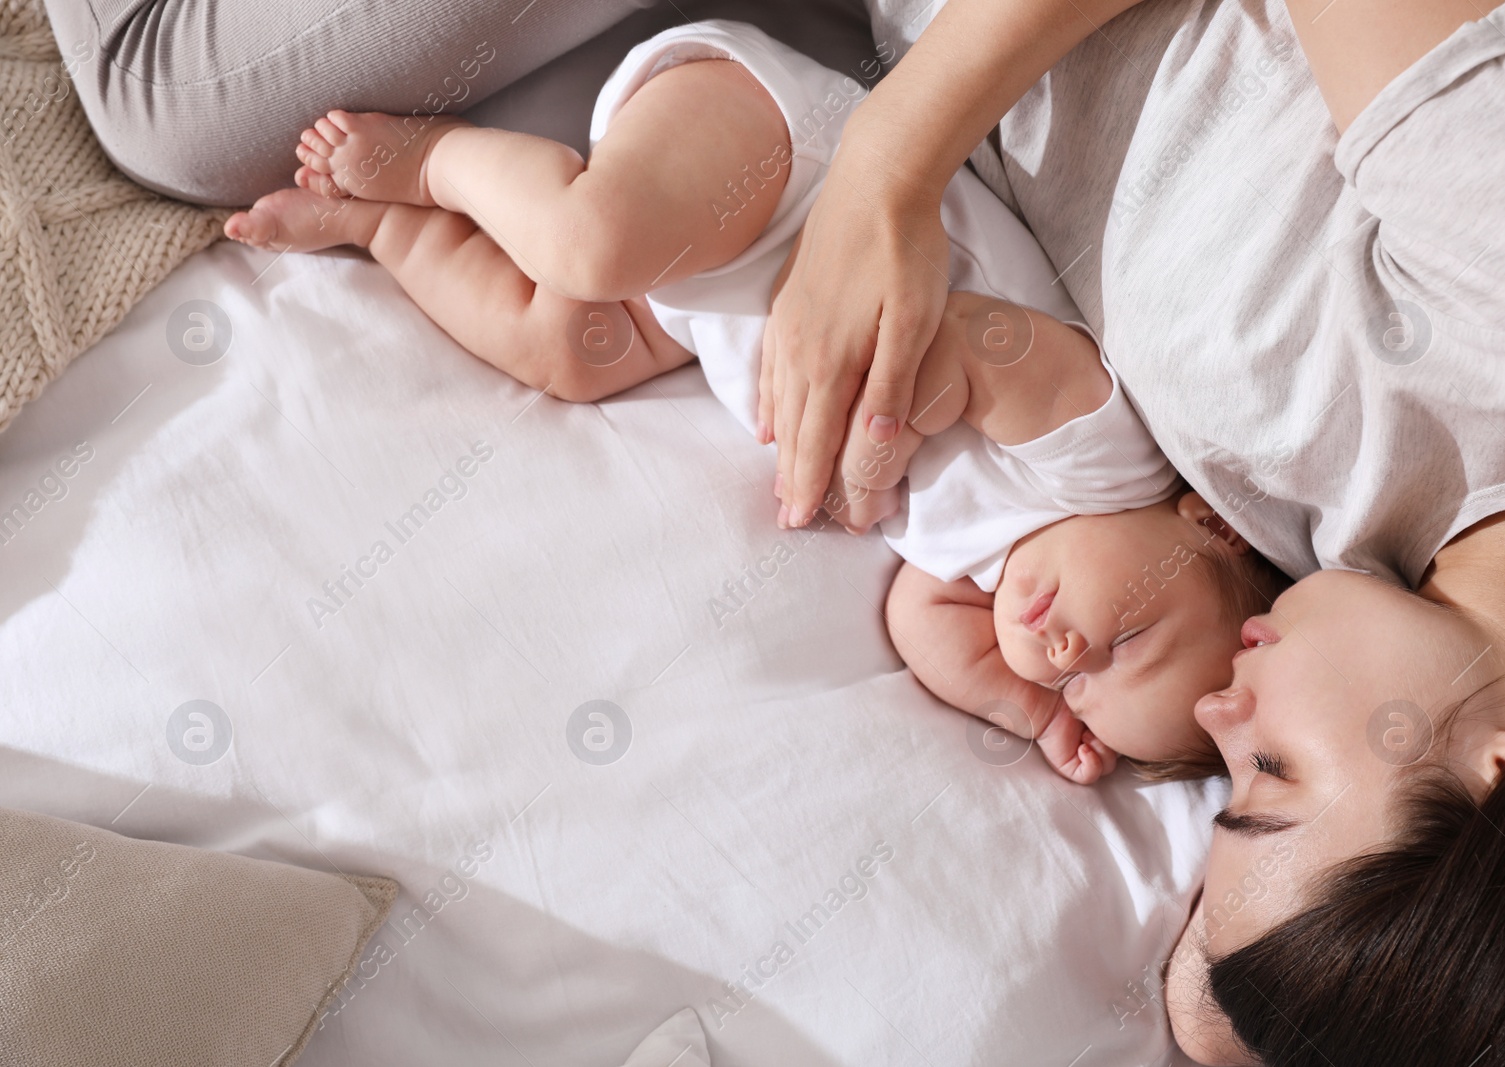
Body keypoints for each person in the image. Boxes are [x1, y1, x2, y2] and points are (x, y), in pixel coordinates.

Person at [763, 0, 1505, 1062]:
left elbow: (1210, 1022)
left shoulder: (1352, 576)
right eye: (1273, 771)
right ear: (1503, 773)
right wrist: (887, 164)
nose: (1217, 715)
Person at [222, 18, 1286, 787]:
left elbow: (922, 622)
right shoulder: (1108, 464)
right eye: (1128, 637)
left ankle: (381, 232)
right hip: (785, 164)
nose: (1069, 654)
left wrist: (1026, 706)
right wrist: (889, 415)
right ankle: (431, 160)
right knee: (588, 248)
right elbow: (984, 345)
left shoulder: (984, 572)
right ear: (1206, 526)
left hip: (700, 300)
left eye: (1084, 687)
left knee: (564, 348)